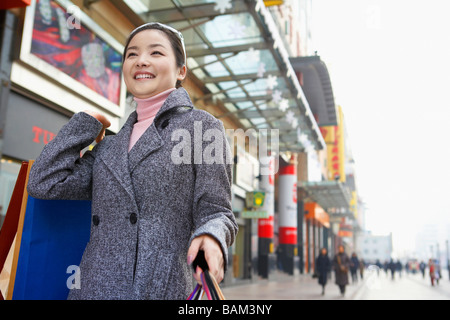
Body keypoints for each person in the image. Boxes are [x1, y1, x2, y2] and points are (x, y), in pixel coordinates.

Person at [27, 22, 238, 300]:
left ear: (181, 71)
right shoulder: (109, 145)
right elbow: (44, 182)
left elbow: (217, 211)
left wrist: (212, 237)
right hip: (93, 287)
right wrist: (85, 125)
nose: (141, 61)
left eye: (156, 53)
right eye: (132, 54)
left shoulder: (201, 127)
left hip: (161, 287)